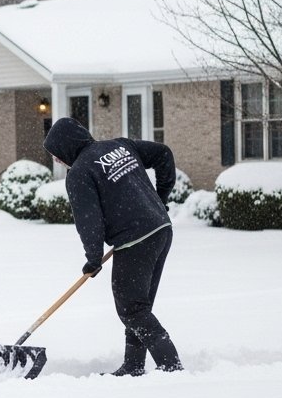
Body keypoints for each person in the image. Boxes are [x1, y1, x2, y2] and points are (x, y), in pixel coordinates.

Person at [43, 117, 183, 376]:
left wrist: (93, 257)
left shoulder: (79, 173)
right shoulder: (120, 145)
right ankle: (134, 365)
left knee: (131, 308)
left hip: (136, 241)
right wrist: (159, 199)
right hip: (161, 231)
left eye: (55, 154)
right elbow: (163, 153)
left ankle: (171, 366)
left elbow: (89, 219)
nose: (56, 160)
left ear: (64, 148)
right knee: (139, 306)